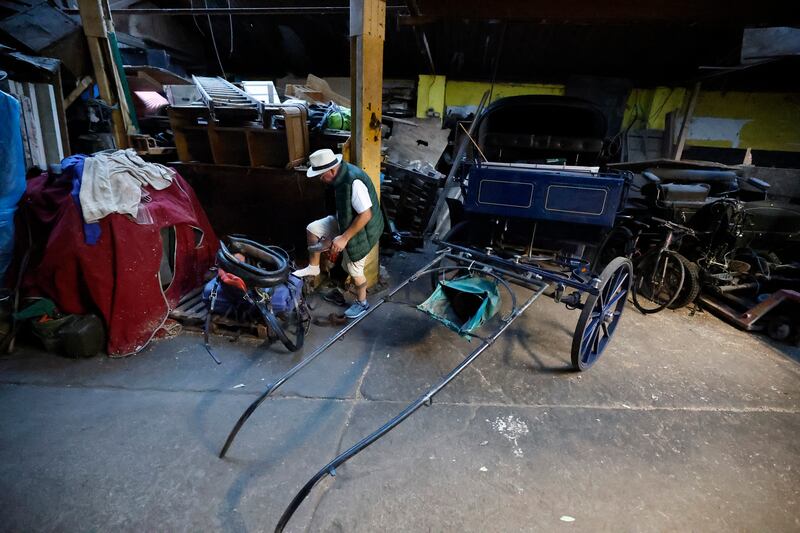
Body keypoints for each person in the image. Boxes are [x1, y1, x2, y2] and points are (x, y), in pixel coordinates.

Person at [292, 149, 384, 319]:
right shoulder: (339, 178)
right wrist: (331, 236)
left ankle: (362, 303)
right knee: (313, 228)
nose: (320, 179)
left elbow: (366, 215)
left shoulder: (353, 182)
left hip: (363, 229)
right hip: (346, 221)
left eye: (321, 175)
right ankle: (313, 267)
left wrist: (343, 238)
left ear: (332, 170)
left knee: (354, 270)